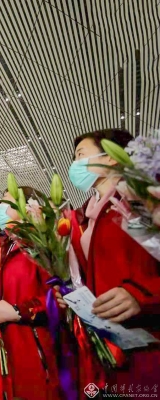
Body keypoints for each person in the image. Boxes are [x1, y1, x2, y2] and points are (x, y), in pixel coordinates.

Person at [63, 129, 160, 391]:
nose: (75, 164)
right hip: (112, 341)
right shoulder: (88, 215)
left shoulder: (138, 198)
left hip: (148, 339)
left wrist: (142, 294)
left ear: (111, 157)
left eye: (81, 154)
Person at [0, 188, 61, 399]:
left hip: (41, 349)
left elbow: (61, 295)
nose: (1, 208)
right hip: (12, 347)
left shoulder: (42, 242)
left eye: (8, 202)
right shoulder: (6, 245)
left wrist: (18, 311)